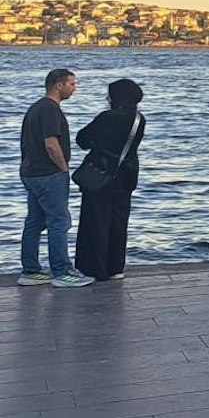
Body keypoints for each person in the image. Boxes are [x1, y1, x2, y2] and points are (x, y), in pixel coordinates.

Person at [19, 67, 91, 287]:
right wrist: (63, 169)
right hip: (48, 174)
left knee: (35, 221)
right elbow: (51, 144)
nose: (74, 89)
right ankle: (62, 271)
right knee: (59, 221)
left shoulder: (35, 108)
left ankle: (30, 270)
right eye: (72, 84)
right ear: (58, 85)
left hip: (31, 172)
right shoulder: (51, 110)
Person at [73, 78, 146, 281]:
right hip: (126, 177)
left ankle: (94, 268)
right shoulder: (139, 119)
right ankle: (116, 267)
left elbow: (82, 139)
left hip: (101, 176)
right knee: (118, 222)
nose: (107, 97)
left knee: (96, 222)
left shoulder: (107, 117)